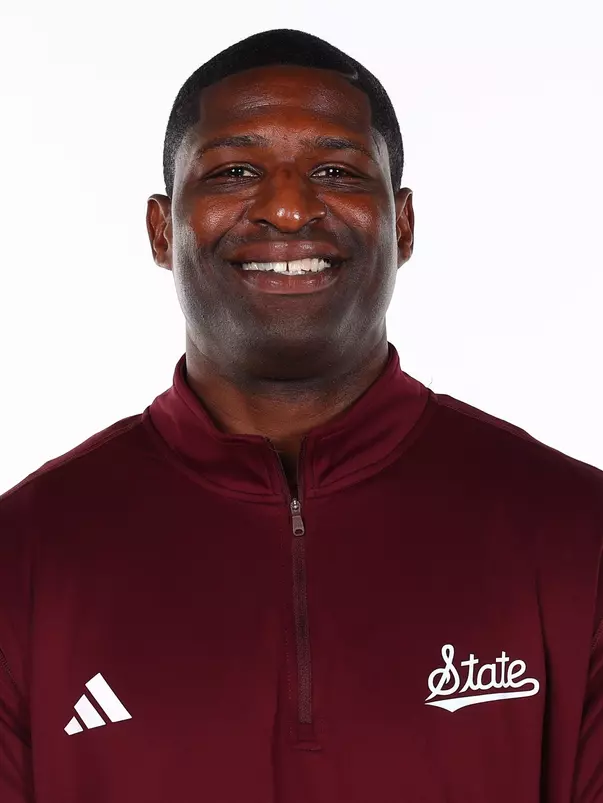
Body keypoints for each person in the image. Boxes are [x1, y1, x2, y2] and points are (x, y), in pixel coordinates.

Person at [0, 27, 601, 803]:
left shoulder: (576, 532)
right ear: (160, 229)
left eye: (334, 169)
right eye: (236, 170)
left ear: (403, 223)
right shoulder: (23, 558)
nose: (288, 209)